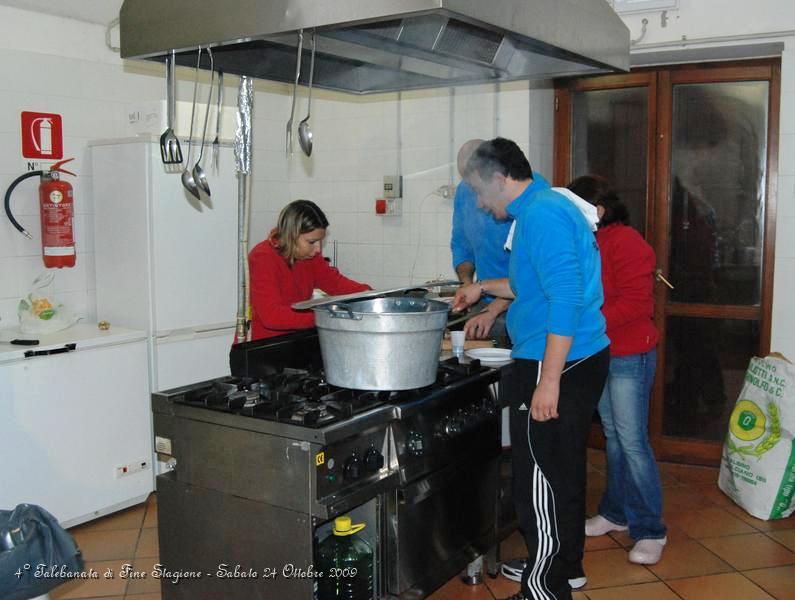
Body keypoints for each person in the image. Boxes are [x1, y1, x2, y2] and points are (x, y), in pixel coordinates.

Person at [453, 138, 609, 600]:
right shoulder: (541, 207)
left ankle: (543, 589)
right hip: (570, 355)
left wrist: (549, 381)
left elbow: (565, 297)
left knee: (537, 478)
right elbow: (528, 283)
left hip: (556, 359)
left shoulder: (540, 215)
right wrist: (481, 287)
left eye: (481, 192)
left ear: (500, 179)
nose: (479, 203)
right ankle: (562, 569)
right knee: (557, 472)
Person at [567, 175, 667, 565]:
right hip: (602, 352)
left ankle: (650, 529)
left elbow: (637, 305)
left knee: (632, 442)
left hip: (629, 354)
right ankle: (616, 512)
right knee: (613, 438)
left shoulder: (628, 243)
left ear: (599, 211)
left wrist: (586, 323)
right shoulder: (587, 242)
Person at [248, 200, 370, 340]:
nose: (318, 249)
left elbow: (335, 283)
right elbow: (272, 316)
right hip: (263, 349)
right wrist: (328, 316)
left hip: (296, 342)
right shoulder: (263, 257)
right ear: (291, 235)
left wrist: (369, 295)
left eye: (320, 241)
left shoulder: (310, 257)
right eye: (311, 242)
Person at [450, 139, 513, 346]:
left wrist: (494, 309)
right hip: (483, 301)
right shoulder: (464, 191)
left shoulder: (529, 198)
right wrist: (467, 283)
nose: (476, 198)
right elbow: (461, 244)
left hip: (515, 306)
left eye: (474, 183)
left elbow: (529, 277)